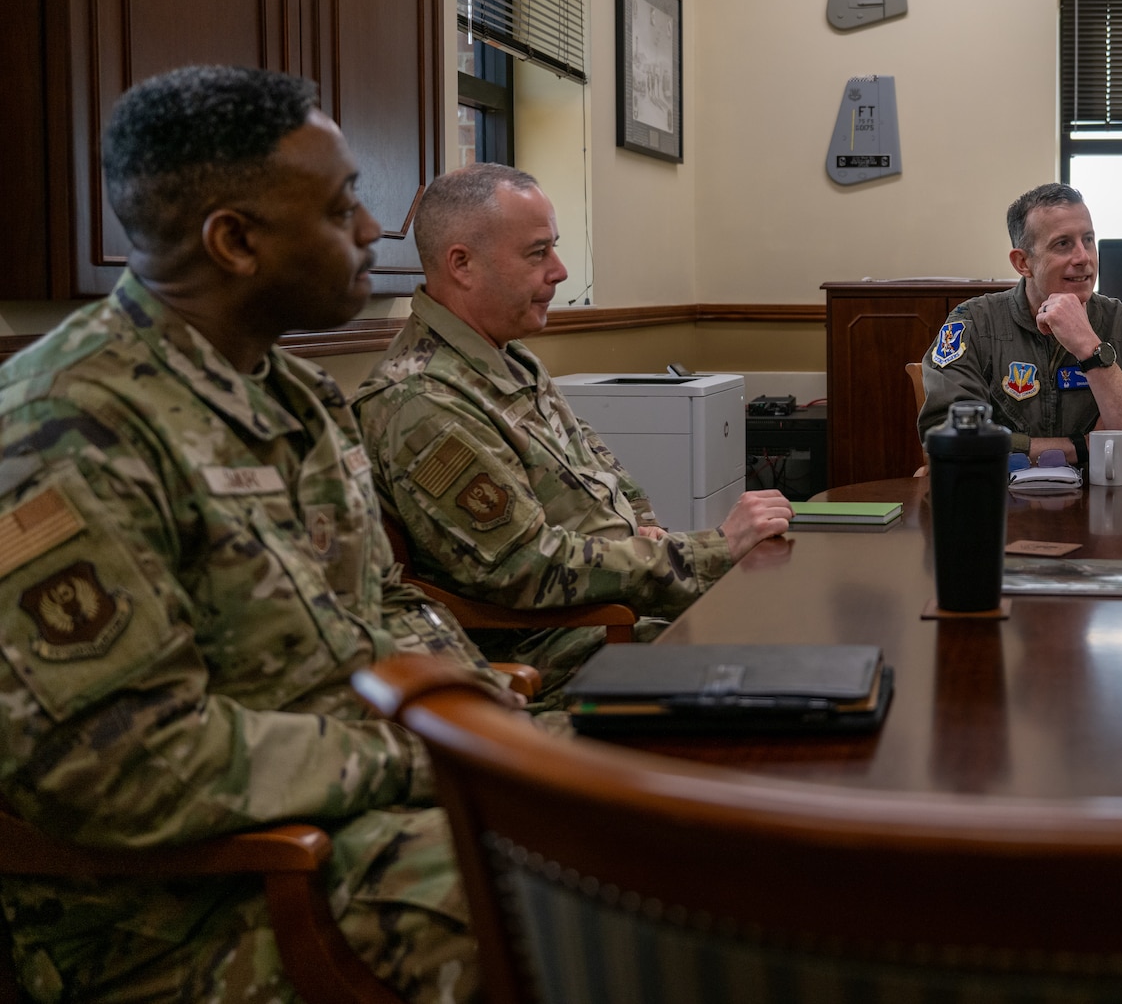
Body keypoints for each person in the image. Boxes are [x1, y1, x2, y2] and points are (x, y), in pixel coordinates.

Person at [0, 66, 495, 1003]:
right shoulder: (66, 428)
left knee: (639, 838)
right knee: (590, 903)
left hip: (356, 822)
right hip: (190, 912)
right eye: (341, 206)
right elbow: (126, 764)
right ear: (233, 240)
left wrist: (478, 712)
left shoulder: (299, 395)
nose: (372, 229)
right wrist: (423, 758)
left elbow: (382, 604)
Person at [355, 164, 793, 694]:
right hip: (561, 647)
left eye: (554, 249)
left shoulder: (507, 357)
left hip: (616, 606)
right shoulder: (423, 399)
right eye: (537, 253)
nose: (560, 270)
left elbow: (595, 462)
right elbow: (525, 566)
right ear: (462, 264)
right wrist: (711, 550)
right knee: (780, 670)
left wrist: (647, 531)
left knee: (794, 628)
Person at [919, 183, 1122, 468]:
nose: (1083, 257)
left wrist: (1091, 349)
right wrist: (1084, 447)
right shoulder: (974, 323)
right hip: (1002, 494)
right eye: (1063, 244)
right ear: (1023, 262)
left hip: (1107, 493)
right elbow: (950, 438)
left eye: (1088, 240)